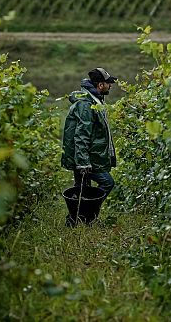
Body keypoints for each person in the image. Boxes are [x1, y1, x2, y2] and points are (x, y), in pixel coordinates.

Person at [61, 68, 118, 225]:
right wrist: (83, 162)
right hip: (86, 157)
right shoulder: (86, 104)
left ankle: (75, 221)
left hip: (86, 155)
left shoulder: (94, 100)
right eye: (108, 83)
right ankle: (89, 217)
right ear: (100, 85)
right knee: (107, 182)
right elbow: (81, 135)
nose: (110, 86)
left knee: (81, 188)